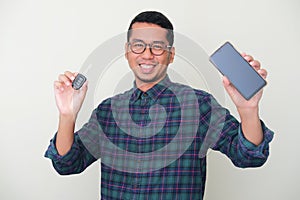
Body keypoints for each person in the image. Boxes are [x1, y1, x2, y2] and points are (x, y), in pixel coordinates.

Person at [45, 11, 274, 200]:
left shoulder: (200, 105)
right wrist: (67, 115)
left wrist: (248, 110)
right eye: (138, 46)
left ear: (171, 55)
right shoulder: (107, 112)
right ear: (127, 52)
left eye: (157, 47)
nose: (147, 55)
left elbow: (249, 157)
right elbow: (67, 164)